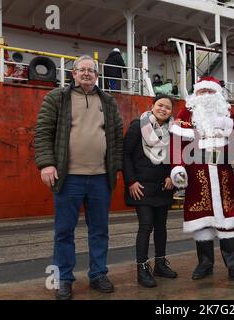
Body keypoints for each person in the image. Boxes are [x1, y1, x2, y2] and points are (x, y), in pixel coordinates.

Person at [34, 55, 123, 300]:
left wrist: (115, 167)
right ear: (72, 74)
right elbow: (43, 132)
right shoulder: (57, 98)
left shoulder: (108, 101)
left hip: (100, 178)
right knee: (64, 231)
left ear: (97, 75)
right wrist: (46, 164)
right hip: (68, 178)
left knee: (99, 230)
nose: (86, 73)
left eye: (91, 70)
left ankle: (98, 274)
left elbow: (116, 136)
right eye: (81, 70)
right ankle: (63, 279)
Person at [169, 76, 234, 282]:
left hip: (223, 173)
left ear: (217, 94)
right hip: (197, 174)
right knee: (201, 221)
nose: (206, 96)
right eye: (202, 92)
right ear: (197, 94)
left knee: (228, 219)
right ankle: (205, 264)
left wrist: (229, 124)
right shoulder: (187, 113)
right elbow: (177, 142)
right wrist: (178, 167)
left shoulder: (228, 112)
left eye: (210, 92)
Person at [122, 94, 178, 288]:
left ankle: (160, 263)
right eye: (160, 105)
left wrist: (173, 176)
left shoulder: (174, 130)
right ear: (152, 106)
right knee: (146, 226)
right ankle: (142, 268)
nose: (163, 109)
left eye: (168, 107)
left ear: (172, 111)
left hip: (163, 186)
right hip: (141, 185)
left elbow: (176, 157)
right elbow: (126, 154)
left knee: (161, 226)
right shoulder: (138, 126)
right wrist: (131, 182)